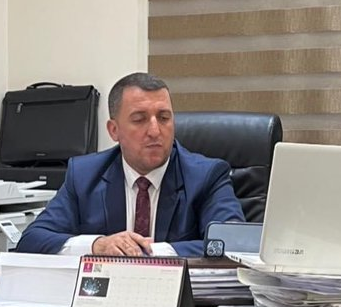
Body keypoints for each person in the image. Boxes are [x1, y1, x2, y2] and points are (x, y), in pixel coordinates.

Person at [16, 72, 245, 257]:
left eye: (164, 118)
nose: (155, 131)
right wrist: (98, 245)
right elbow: (32, 239)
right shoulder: (84, 175)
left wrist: (149, 253)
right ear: (114, 130)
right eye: (139, 119)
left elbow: (234, 243)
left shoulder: (206, 175)